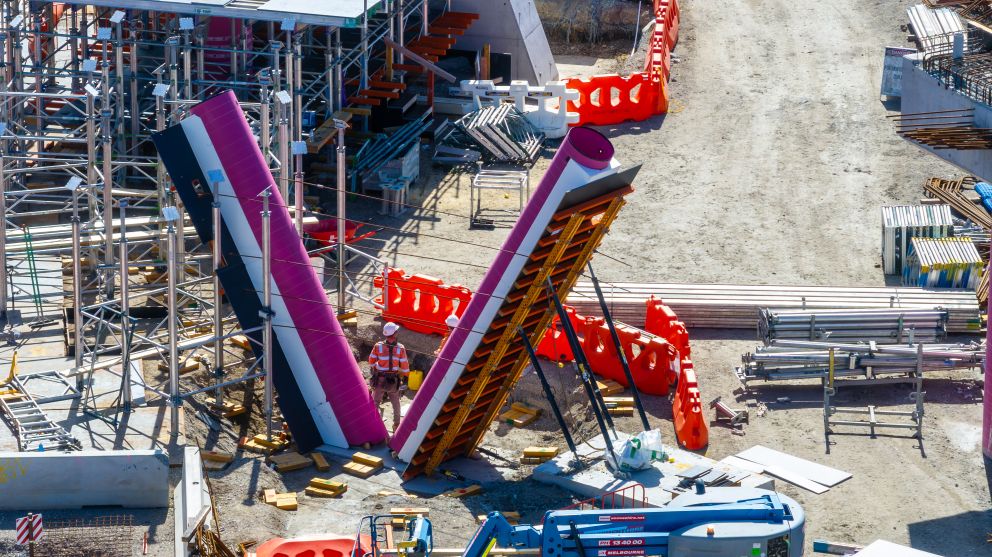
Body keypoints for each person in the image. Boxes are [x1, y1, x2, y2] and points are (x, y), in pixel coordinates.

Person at [368, 322, 409, 432]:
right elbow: (404, 365)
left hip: (380, 380)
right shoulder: (400, 348)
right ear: (395, 333)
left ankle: (373, 426)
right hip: (393, 381)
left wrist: (376, 366)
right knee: (396, 404)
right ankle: (396, 426)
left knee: (375, 403)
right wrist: (405, 377)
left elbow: (371, 361)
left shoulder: (378, 346)